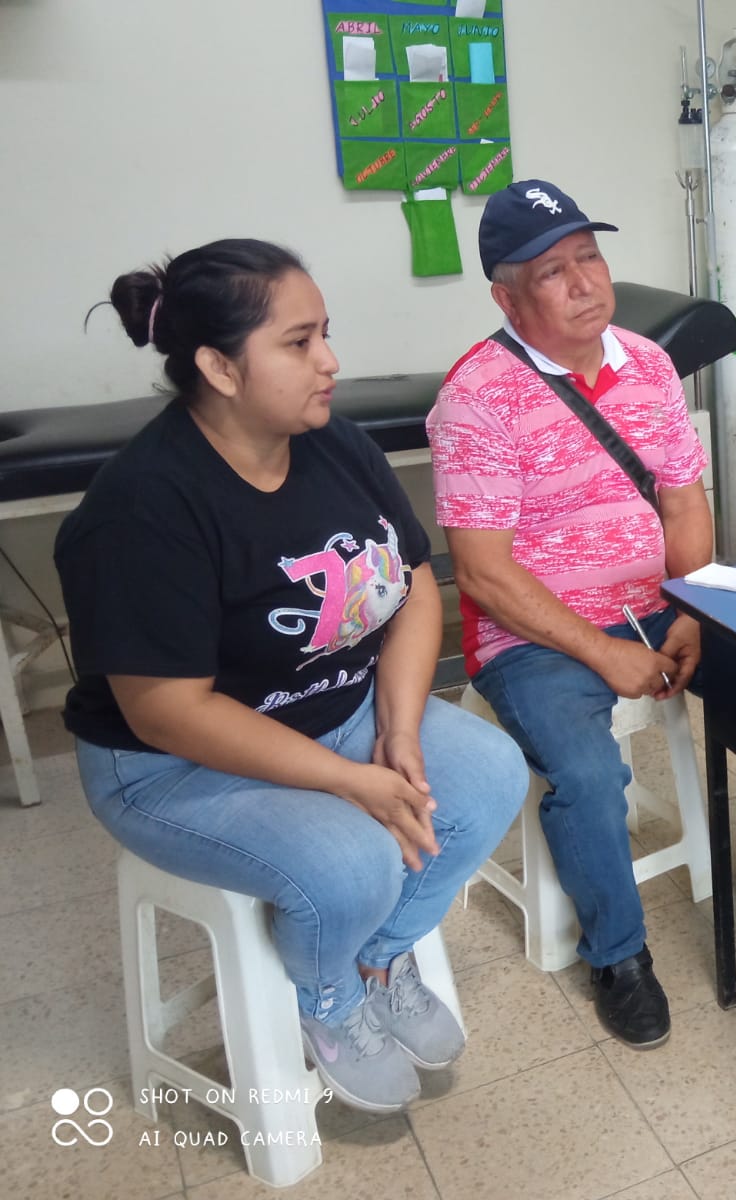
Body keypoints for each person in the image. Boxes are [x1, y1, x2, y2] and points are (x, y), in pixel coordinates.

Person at [57, 239, 528, 1114]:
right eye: (300, 342)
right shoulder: (144, 508)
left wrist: (397, 729)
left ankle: (376, 958)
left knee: (490, 775)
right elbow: (167, 713)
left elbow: (411, 585)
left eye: (326, 334)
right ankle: (328, 997)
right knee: (352, 861)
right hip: (174, 765)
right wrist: (350, 781)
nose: (330, 361)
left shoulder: (333, 445)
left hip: (335, 710)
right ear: (219, 368)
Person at [427, 179, 736, 1050]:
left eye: (589, 257)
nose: (584, 282)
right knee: (590, 776)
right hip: (536, 634)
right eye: (553, 272)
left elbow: (682, 501)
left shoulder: (648, 363)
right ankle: (619, 956)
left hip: (659, 604)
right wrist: (602, 652)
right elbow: (482, 573)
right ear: (507, 299)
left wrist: (695, 606)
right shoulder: (476, 397)